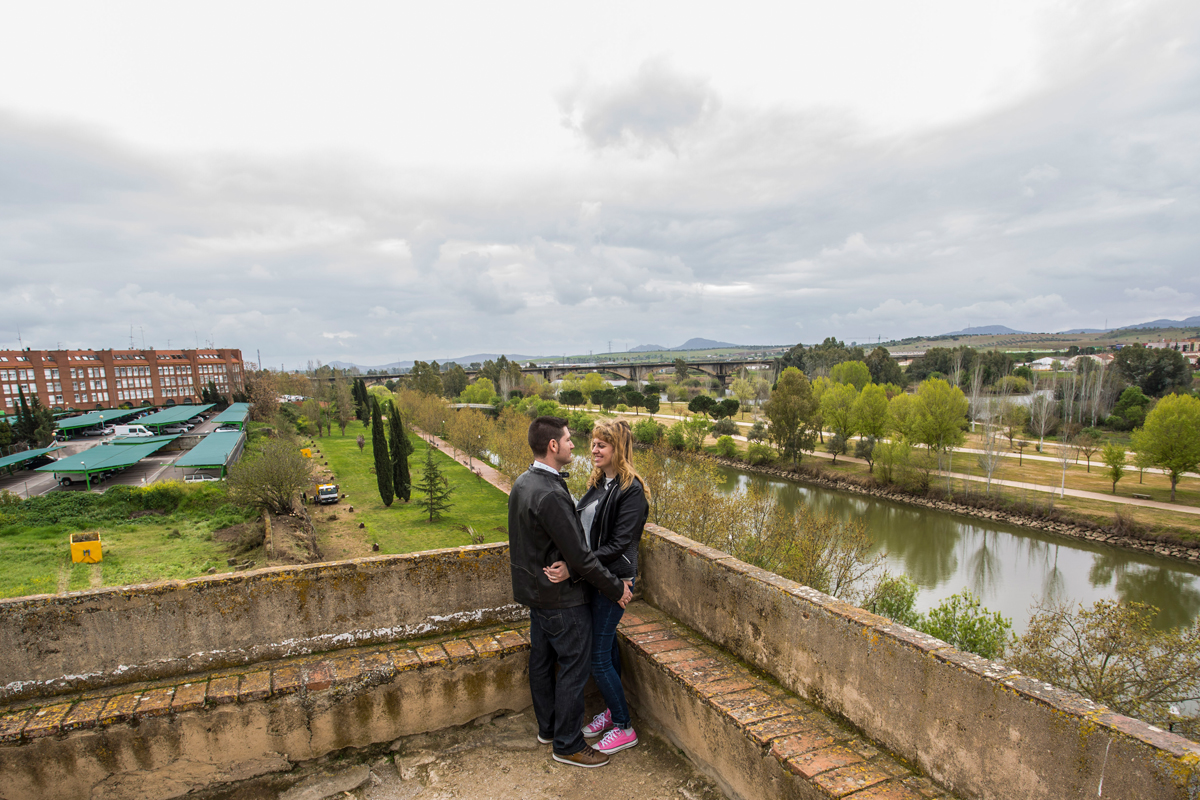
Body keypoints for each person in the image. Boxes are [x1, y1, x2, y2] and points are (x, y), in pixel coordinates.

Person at [508, 416, 633, 769]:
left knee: (542, 662)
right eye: (568, 440)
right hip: (561, 599)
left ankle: (548, 729)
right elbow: (579, 554)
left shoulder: (523, 482)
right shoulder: (549, 492)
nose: (575, 445)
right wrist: (615, 588)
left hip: (536, 593)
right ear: (552, 446)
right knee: (575, 666)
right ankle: (568, 744)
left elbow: (531, 543)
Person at [544, 418, 649, 755]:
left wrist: (577, 565)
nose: (594, 450)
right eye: (592, 444)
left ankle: (624, 726)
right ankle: (609, 712)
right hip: (596, 576)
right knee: (608, 648)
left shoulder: (632, 491)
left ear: (619, 448)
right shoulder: (599, 483)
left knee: (598, 658)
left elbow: (619, 544)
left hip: (614, 580)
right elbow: (582, 531)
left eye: (602, 444)